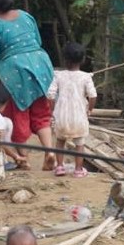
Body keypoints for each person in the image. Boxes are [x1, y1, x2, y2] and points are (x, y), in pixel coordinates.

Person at [0, 0, 56, 172]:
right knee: (41, 113)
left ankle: (24, 159)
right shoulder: (25, 15)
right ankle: (50, 152)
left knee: (19, 115)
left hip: (15, 73)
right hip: (40, 66)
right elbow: (37, 41)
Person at [48, 42, 97, 177]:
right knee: (80, 144)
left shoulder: (58, 75)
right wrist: (90, 110)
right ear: (82, 59)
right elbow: (93, 96)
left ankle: (59, 167)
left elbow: (50, 95)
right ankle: (78, 170)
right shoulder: (86, 77)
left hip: (61, 116)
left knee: (60, 141)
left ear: (65, 59)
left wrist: (53, 111)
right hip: (79, 117)